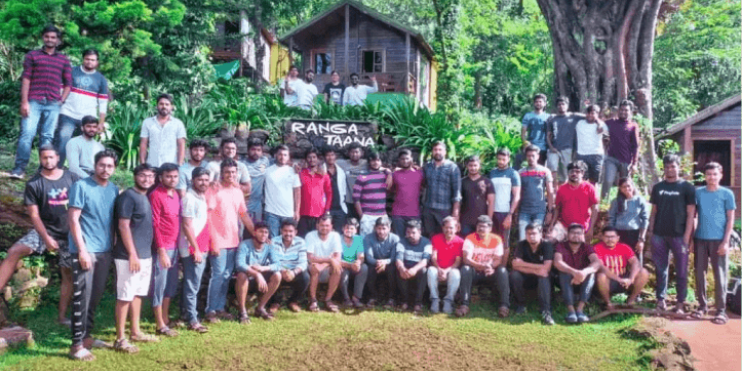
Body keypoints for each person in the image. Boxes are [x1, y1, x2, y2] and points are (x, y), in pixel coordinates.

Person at [0, 145, 80, 326]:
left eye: (51, 157)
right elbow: (34, 215)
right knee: (15, 250)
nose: (48, 161)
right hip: (45, 229)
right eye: (44, 158)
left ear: (58, 158)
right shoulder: (34, 183)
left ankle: (61, 317)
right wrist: (46, 238)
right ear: (40, 159)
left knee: (67, 273)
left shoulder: (71, 177)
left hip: (69, 232)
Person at [67, 149, 119, 361]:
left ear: (114, 168)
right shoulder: (81, 186)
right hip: (86, 251)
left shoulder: (114, 189)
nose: (105, 169)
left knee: (94, 297)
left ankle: (87, 337)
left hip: (105, 251)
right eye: (102, 165)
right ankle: (76, 345)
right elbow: (73, 220)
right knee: (82, 298)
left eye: (110, 166)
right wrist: (82, 250)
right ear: (95, 165)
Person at [11, 25, 72, 179]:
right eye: (47, 37)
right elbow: (26, 79)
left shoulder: (63, 59)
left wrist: (61, 100)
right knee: (27, 134)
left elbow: (68, 83)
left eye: (53, 37)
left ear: (57, 40)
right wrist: (24, 102)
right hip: (34, 101)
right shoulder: (33, 55)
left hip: (53, 103)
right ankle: (19, 169)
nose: (50, 40)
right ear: (43, 38)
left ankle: (42, 171)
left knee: (47, 137)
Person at [113, 164, 157, 353]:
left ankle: (136, 331)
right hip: (128, 256)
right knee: (125, 295)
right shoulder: (128, 197)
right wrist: (132, 254)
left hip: (145, 255)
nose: (146, 179)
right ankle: (120, 338)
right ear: (135, 176)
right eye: (142, 175)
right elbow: (123, 226)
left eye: (150, 176)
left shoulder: (144, 197)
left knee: (138, 294)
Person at [204, 159, 255, 323]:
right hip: (217, 240)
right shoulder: (213, 190)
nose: (231, 175)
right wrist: (213, 241)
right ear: (222, 172)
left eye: (234, 172)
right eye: (227, 172)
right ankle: (210, 310)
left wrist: (255, 233)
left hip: (233, 240)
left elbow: (244, 215)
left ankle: (219, 308)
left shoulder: (238, 192)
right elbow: (208, 217)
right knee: (217, 275)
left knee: (226, 275)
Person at [648, 154, 696, 313]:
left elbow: (691, 214)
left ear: (679, 167)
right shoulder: (658, 187)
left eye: (673, 166)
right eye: (667, 166)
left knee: (681, 271)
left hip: (679, 236)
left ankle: (680, 304)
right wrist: (651, 232)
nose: (670, 169)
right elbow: (653, 212)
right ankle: (660, 300)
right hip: (659, 235)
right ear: (664, 168)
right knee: (660, 269)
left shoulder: (687, 187)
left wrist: (687, 237)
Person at [693, 162, 735, 324]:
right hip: (700, 239)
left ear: (720, 175)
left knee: (720, 276)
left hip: (719, 240)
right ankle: (701, 307)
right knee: (699, 274)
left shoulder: (727, 194)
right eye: (709, 174)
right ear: (705, 176)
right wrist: (691, 240)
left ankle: (720, 310)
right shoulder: (699, 193)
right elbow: (693, 216)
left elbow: (730, 219)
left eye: (715, 174)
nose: (712, 177)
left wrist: (725, 242)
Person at [55, 48, 108, 166]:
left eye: (93, 60)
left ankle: (78, 174)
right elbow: (61, 90)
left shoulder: (101, 79)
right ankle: (55, 169)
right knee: (62, 142)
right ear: (83, 59)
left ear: (97, 62)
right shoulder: (71, 72)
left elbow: (103, 102)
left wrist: (101, 122)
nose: (90, 62)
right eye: (87, 59)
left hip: (88, 119)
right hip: (68, 114)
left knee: (83, 147)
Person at [148, 163, 181, 337]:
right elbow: (155, 224)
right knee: (159, 285)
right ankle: (159, 323)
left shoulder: (175, 195)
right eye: (168, 176)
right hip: (162, 247)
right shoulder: (155, 195)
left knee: (170, 284)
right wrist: (161, 251)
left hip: (175, 246)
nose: (172, 179)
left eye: (175, 176)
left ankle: (165, 318)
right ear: (161, 178)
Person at [457, 216, 509, 318]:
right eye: (479, 226)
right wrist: (481, 266)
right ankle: (464, 304)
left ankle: (504, 306)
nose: (481, 229)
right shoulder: (470, 238)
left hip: (490, 272)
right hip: (474, 272)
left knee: (502, 270)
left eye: (484, 227)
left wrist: (490, 266)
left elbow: (498, 259)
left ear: (490, 228)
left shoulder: (496, 239)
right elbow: (466, 259)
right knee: (465, 269)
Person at [180, 167, 211, 333]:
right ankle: (193, 320)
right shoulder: (189, 198)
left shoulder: (202, 197)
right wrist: (196, 249)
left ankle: (184, 314)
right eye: (200, 180)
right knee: (192, 284)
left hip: (202, 245)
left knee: (193, 282)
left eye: (206, 180)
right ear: (193, 180)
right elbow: (187, 224)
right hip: (192, 247)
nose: (203, 182)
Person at [553, 224, 601, 323]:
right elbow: (557, 262)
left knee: (591, 274)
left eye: (579, 233)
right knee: (564, 272)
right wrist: (574, 272)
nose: (576, 235)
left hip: (583, 281)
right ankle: (570, 311)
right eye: (573, 233)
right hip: (564, 280)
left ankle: (580, 310)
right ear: (567, 235)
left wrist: (583, 272)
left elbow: (597, 262)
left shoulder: (587, 247)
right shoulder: (560, 246)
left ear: (583, 235)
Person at [235, 222, 281, 322]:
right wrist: (257, 274)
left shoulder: (269, 247)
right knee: (241, 275)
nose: (263, 235)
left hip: (261, 282)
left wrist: (263, 269)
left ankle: (260, 308)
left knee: (277, 275)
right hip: (246, 279)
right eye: (260, 231)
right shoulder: (245, 244)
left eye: (266, 232)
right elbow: (239, 264)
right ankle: (242, 312)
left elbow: (278, 264)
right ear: (255, 233)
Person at [594, 226, 650, 309]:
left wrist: (631, 279)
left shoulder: (624, 247)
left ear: (618, 238)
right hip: (609, 282)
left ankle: (630, 301)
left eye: (612, 237)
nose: (610, 239)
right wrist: (619, 280)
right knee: (601, 275)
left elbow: (635, 263)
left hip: (624, 280)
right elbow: (602, 268)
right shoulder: (597, 248)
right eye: (607, 237)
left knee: (644, 272)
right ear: (602, 237)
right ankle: (608, 304)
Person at [510, 223, 554, 325]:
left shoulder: (547, 245)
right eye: (528, 234)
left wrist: (523, 264)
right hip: (527, 277)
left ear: (540, 234)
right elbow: (515, 266)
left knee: (544, 277)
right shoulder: (521, 244)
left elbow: (546, 268)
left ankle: (546, 311)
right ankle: (521, 305)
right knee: (514, 275)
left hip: (544, 279)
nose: (531, 236)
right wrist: (537, 269)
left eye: (534, 233)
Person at [549, 161, 599, 242]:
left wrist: (591, 228)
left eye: (577, 171)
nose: (574, 173)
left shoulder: (590, 188)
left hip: (582, 227)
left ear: (582, 173)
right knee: (550, 239)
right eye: (571, 171)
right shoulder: (562, 188)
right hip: (564, 226)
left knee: (580, 248)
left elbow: (595, 209)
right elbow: (557, 208)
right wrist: (552, 224)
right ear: (568, 173)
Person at [601, 100, 640, 199]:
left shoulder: (633, 126)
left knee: (626, 184)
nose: (623, 112)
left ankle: (628, 203)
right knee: (608, 181)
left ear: (630, 112)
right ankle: (603, 203)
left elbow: (635, 146)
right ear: (618, 110)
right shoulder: (611, 123)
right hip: (611, 158)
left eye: (626, 110)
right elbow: (600, 125)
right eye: (621, 109)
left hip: (626, 160)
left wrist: (634, 164)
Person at [268, 220, 309, 313]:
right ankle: (275, 302)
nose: (288, 234)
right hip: (279, 269)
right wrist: (283, 271)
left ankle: (293, 301)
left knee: (305, 277)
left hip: (294, 271)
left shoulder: (301, 242)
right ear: (281, 231)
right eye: (285, 231)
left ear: (295, 232)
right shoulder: (274, 241)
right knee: (271, 274)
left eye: (291, 231)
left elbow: (303, 263)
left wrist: (293, 272)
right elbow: (272, 260)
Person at [422, 141, 462, 236]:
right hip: (429, 208)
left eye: (440, 150)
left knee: (445, 235)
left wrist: (455, 214)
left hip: (445, 209)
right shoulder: (427, 167)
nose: (437, 152)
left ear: (445, 152)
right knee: (430, 235)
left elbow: (457, 192)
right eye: (435, 150)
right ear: (432, 152)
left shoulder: (452, 167)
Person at [305, 215, 343, 312]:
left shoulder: (335, 236)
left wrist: (324, 264)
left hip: (325, 265)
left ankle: (328, 300)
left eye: (327, 225)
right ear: (317, 225)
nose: (324, 228)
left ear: (331, 226)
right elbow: (310, 257)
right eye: (322, 225)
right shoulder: (310, 235)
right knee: (314, 269)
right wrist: (329, 260)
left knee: (338, 269)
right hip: (312, 265)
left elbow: (337, 257)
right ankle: (313, 300)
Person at [607, 177, 650, 264]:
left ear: (633, 186)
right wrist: (612, 236)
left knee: (637, 262)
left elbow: (645, 219)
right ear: (620, 188)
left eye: (628, 186)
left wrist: (641, 239)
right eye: (623, 187)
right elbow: (611, 219)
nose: (627, 189)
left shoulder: (639, 200)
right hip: (619, 234)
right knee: (620, 262)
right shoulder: (616, 202)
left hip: (635, 234)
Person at [427, 216, 463, 314]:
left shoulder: (460, 241)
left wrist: (446, 271)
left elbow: (458, 261)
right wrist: (439, 269)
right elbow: (433, 257)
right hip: (437, 268)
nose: (448, 230)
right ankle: (435, 300)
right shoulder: (436, 238)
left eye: (451, 227)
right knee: (430, 270)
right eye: (446, 227)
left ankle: (448, 300)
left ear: (456, 229)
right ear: (442, 228)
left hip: (450, 270)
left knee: (456, 273)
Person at [518, 144, 555, 240]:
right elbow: (518, 193)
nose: (531, 158)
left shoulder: (545, 171)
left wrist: (550, 211)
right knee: (523, 239)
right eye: (528, 156)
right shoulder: (520, 173)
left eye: (533, 156)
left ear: (538, 156)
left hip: (540, 211)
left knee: (536, 239)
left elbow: (550, 192)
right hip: (524, 211)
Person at [264, 145, 302, 237]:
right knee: (273, 241)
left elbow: (297, 192)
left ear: (288, 157)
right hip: (271, 213)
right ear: (275, 155)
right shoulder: (267, 170)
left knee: (287, 240)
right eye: (280, 154)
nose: (282, 157)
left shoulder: (293, 171)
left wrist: (296, 211)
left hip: (288, 213)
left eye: (285, 155)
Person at [488, 148, 521, 254]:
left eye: (503, 159)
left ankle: (502, 268)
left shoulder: (513, 174)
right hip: (492, 212)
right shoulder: (492, 173)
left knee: (504, 243)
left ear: (508, 159)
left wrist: (510, 215)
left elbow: (516, 196)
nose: (501, 161)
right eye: (499, 159)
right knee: (491, 241)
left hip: (505, 213)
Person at [139, 93, 186, 167]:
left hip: (171, 166)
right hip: (152, 165)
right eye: (161, 104)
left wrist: (179, 164)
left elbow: (181, 145)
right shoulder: (147, 122)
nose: (164, 106)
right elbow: (143, 144)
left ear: (171, 107)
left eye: (167, 104)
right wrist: (142, 163)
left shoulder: (178, 124)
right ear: (157, 106)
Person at [396, 220, 432, 315]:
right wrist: (402, 268)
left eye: (413, 232)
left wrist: (414, 269)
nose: (410, 235)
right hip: (406, 268)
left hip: (418, 269)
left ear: (419, 232)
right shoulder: (402, 242)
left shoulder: (427, 243)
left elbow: (425, 261)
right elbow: (399, 259)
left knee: (424, 271)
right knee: (398, 269)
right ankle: (404, 301)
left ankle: (418, 303)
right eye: (408, 232)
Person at [364, 216, 400, 309]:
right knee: (369, 269)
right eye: (379, 228)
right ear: (375, 228)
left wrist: (385, 262)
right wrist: (379, 263)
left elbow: (394, 257)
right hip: (375, 263)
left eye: (384, 228)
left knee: (393, 269)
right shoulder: (368, 238)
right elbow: (369, 257)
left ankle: (391, 298)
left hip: (388, 263)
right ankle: (373, 297)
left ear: (389, 229)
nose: (381, 231)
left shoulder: (395, 239)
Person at [353, 151, 390, 236]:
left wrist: (389, 172)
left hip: (382, 215)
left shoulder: (385, 176)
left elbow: (389, 186)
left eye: (378, 160)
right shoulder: (362, 177)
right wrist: (362, 216)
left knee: (382, 243)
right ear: (369, 162)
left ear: (381, 162)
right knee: (366, 244)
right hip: (367, 216)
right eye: (373, 160)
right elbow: (355, 198)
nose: (375, 163)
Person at [546, 96, 582, 183]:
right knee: (552, 169)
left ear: (567, 105)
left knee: (565, 172)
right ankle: (553, 189)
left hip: (567, 149)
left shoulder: (573, 117)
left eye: (563, 104)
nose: (561, 106)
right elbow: (548, 135)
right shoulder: (552, 118)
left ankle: (563, 190)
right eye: (559, 104)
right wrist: (551, 147)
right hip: (554, 149)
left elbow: (589, 117)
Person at [389, 149, 424, 238]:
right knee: (399, 240)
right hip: (398, 214)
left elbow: (424, 186)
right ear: (399, 160)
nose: (405, 161)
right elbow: (389, 189)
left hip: (414, 213)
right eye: (402, 159)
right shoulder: (395, 174)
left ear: (412, 159)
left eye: (407, 158)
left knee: (414, 239)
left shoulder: (419, 173)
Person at [298, 148, 332, 235]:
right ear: (306, 159)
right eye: (309, 157)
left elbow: (329, 193)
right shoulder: (301, 173)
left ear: (318, 159)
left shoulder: (324, 175)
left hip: (319, 213)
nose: (312, 160)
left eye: (314, 157)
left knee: (316, 240)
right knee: (303, 239)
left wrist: (326, 209)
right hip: (302, 213)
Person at [460, 155, 494, 237]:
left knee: (480, 244)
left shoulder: (487, 182)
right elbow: (458, 201)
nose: (473, 168)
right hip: (465, 221)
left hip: (482, 221)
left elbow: (491, 202)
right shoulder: (462, 182)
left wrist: (489, 220)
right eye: (470, 166)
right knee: (466, 244)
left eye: (475, 165)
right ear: (467, 166)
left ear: (479, 166)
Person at [574, 105, 608, 184]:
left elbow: (607, 138)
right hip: (582, 155)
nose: (590, 115)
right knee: (582, 179)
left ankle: (593, 195)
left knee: (594, 180)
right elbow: (574, 114)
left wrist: (598, 122)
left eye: (593, 113)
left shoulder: (602, 125)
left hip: (596, 155)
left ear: (597, 114)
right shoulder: (579, 123)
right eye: (588, 113)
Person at [243, 138, 274, 222]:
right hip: (244, 202)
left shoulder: (265, 161)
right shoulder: (242, 164)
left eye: (258, 150)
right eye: (253, 149)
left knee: (257, 230)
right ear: (248, 150)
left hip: (258, 204)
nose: (256, 152)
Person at [339, 218, 367, 309]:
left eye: (352, 228)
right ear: (343, 229)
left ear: (356, 230)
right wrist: (350, 265)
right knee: (342, 271)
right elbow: (336, 259)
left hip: (354, 265)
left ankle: (356, 298)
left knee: (364, 268)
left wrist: (358, 262)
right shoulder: (338, 239)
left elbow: (361, 256)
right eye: (347, 228)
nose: (349, 230)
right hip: (343, 265)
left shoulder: (358, 239)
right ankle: (346, 298)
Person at [337, 142, 369, 219]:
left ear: (362, 153)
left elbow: (379, 166)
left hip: (364, 201)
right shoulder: (342, 163)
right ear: (348, 153)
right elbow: (328, 161)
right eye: (352, 152)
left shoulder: (367, 163)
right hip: (349, 201)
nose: (354, 154)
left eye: (357, 152)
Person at [323, 147, 349, 232]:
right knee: (325, 233)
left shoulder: (340, 171)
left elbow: (344, 190)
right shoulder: (321, 170)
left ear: (335, 156)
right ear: (324, 157)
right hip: (325, 209)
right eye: (328, 155)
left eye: (332, 155)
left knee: (339, 235)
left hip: (339, 208)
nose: (330, 157)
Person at [520, 93, 550, 163]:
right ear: (534, 103)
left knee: (540, 168)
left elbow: (550, 133)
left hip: (543, 147)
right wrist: (525, 143)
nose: (538, 103)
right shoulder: (528, 115)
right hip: (530, 146)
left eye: (540, 102)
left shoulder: (548, 117)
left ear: (545, 103)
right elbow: (523, 131)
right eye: (536, 101)